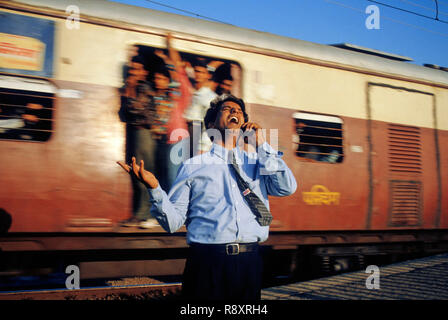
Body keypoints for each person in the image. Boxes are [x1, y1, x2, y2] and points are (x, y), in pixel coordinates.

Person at [117, 94, 297, 300]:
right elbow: (173, 223)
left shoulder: (259, 162)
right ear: (211, 124)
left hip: (250, 262)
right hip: (207, 263)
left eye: (239, 111)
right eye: (227, 109)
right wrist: (155, 188)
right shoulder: (193, 166)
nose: (235, 112)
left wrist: (263, 146)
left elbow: (286, 188)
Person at [119, 55, 157, 228]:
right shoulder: (130, 88)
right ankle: (138, 213)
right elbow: (122, 114)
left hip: (144, 134)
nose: (133, 72)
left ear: (143, 72)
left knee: (142, 173)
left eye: (136, 69)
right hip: (134, 133)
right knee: (135, 174)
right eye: (131, 69)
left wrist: (129, 90)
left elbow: (137, 108)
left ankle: (144, 214)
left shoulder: (145, 88)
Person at [183, 58, 217, 157]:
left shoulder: (210, 97)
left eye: (201, 72)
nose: (198, 74)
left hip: (197, 132)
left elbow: (209, 125)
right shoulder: (191, 92)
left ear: (207, 75)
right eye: (196, 71)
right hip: (185, 133)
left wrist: (203, 147)